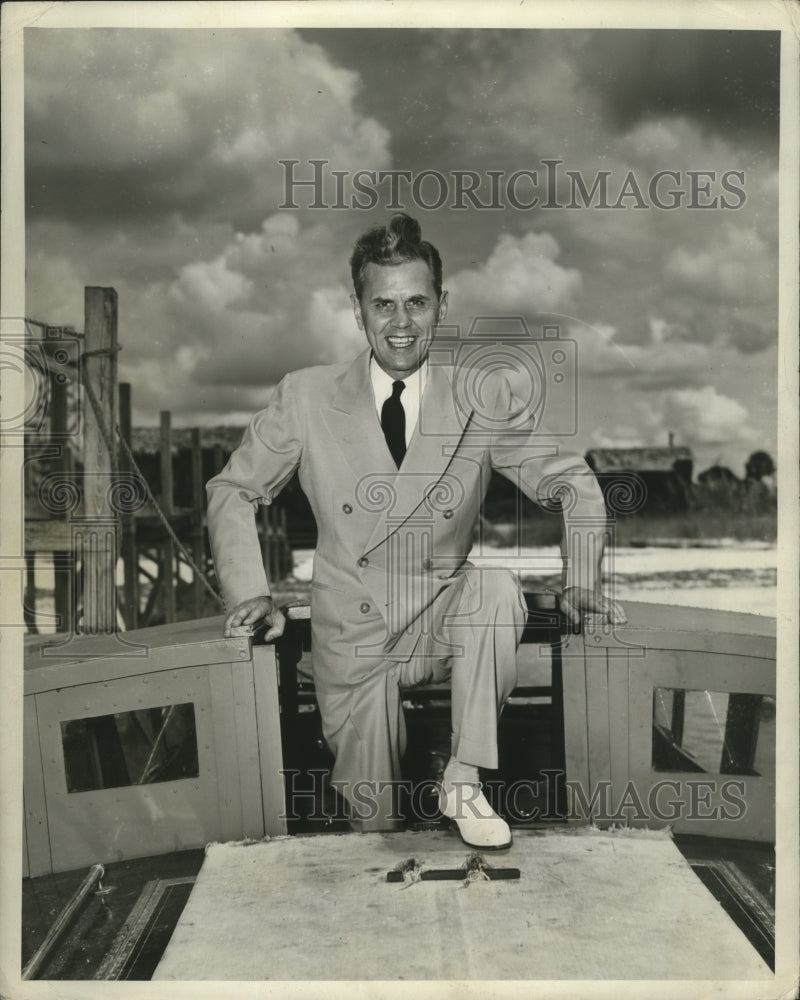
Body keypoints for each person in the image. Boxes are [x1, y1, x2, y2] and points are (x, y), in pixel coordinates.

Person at [206, 213, 625, 849]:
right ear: (357, 309)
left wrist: (583, 581)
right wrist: (249, 594)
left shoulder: (482, 396)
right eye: (384, 305)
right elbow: (232, 490)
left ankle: (464, 776)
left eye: (417, 303)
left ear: (441, 305)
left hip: (439, 618)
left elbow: (574, 483)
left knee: (495, 591)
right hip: (354, 633)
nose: (400, 325)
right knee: (372, 830)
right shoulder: (307, 396)